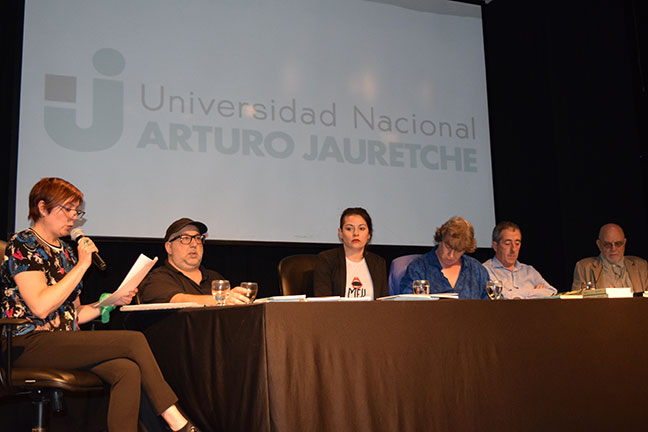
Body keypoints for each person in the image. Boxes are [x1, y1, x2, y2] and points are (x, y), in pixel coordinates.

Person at [0, 178, 200, 432]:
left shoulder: (66, 252)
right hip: (24, 343)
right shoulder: (23, 244)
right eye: (68, 209)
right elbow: (40, 307)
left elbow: (74, 314)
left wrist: (111, 301)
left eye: (77, 211)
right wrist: (83, 265)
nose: (74, 217)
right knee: (133, 340)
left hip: (59, 340)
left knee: (125, 369)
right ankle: (178, 422)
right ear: (42, 207)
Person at [138, 218, 249, 305]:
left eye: (197, 238)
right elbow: (178, 300)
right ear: (169, 247)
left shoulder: (215, 278)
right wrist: (221, 300)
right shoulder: (157, 278)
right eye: (185, 238)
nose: (194, 244)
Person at [399, 216, 488, 299]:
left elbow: (494, 307)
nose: (451, 255)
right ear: (440, 239)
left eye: (458, 250)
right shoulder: (419, 268)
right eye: (448, 247)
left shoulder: (477, 270)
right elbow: (408, 306)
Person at [313, 207, 388, 299]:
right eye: (349, 229)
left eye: (361, 228)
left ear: (369, 234)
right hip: (338, 313)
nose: (356, 233)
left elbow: (384, 302)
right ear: (340, 233)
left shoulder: (378, 263)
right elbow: (323, 300)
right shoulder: (327, 260)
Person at [482, 221, 557, 298]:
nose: (513, 249)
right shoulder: (485, 270)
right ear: (495, 246)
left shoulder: (529, 270)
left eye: (517, 244)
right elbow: (503, 296)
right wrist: (537, 293)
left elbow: (552, 292)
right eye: (507, 243)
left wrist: (513, 292)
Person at [572, 223, 648, 293]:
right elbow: (578, 304)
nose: (613, 249)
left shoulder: (641, 266)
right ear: (599, 245)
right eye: (607, 245)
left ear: (624, 243)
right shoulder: (584, 268)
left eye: (618, 244)